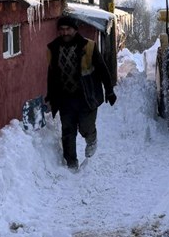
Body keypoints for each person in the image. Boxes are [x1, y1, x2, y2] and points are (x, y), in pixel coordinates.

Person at [45, 15, 116, 170]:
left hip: (86, 96)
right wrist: (51, 94)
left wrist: (109, 91)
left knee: (85, 127)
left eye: (68, 29)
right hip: (65, 99)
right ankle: (71, 165)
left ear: (75, 30)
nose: (65, 33)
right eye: (62, 30)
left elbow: (103, 70)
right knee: (68, 132)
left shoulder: (88, 47)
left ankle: (91, 139)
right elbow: (52, 74)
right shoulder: (53, 48)